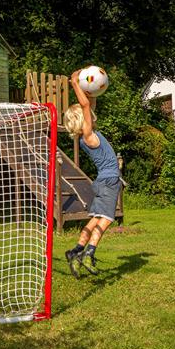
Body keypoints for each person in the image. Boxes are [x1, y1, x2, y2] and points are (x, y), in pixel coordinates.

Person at [63, 68, 122, 278]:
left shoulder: (86, 136)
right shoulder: (88, 136)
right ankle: (89, 254)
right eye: (85, 111)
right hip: (109, 182)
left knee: (95, 219)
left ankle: (75, 251)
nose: (89, 111)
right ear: (82, 118)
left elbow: (90, 103)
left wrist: (88, 89)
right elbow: (87, 105)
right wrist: (75, 82)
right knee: (106, 219)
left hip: (102, 182)